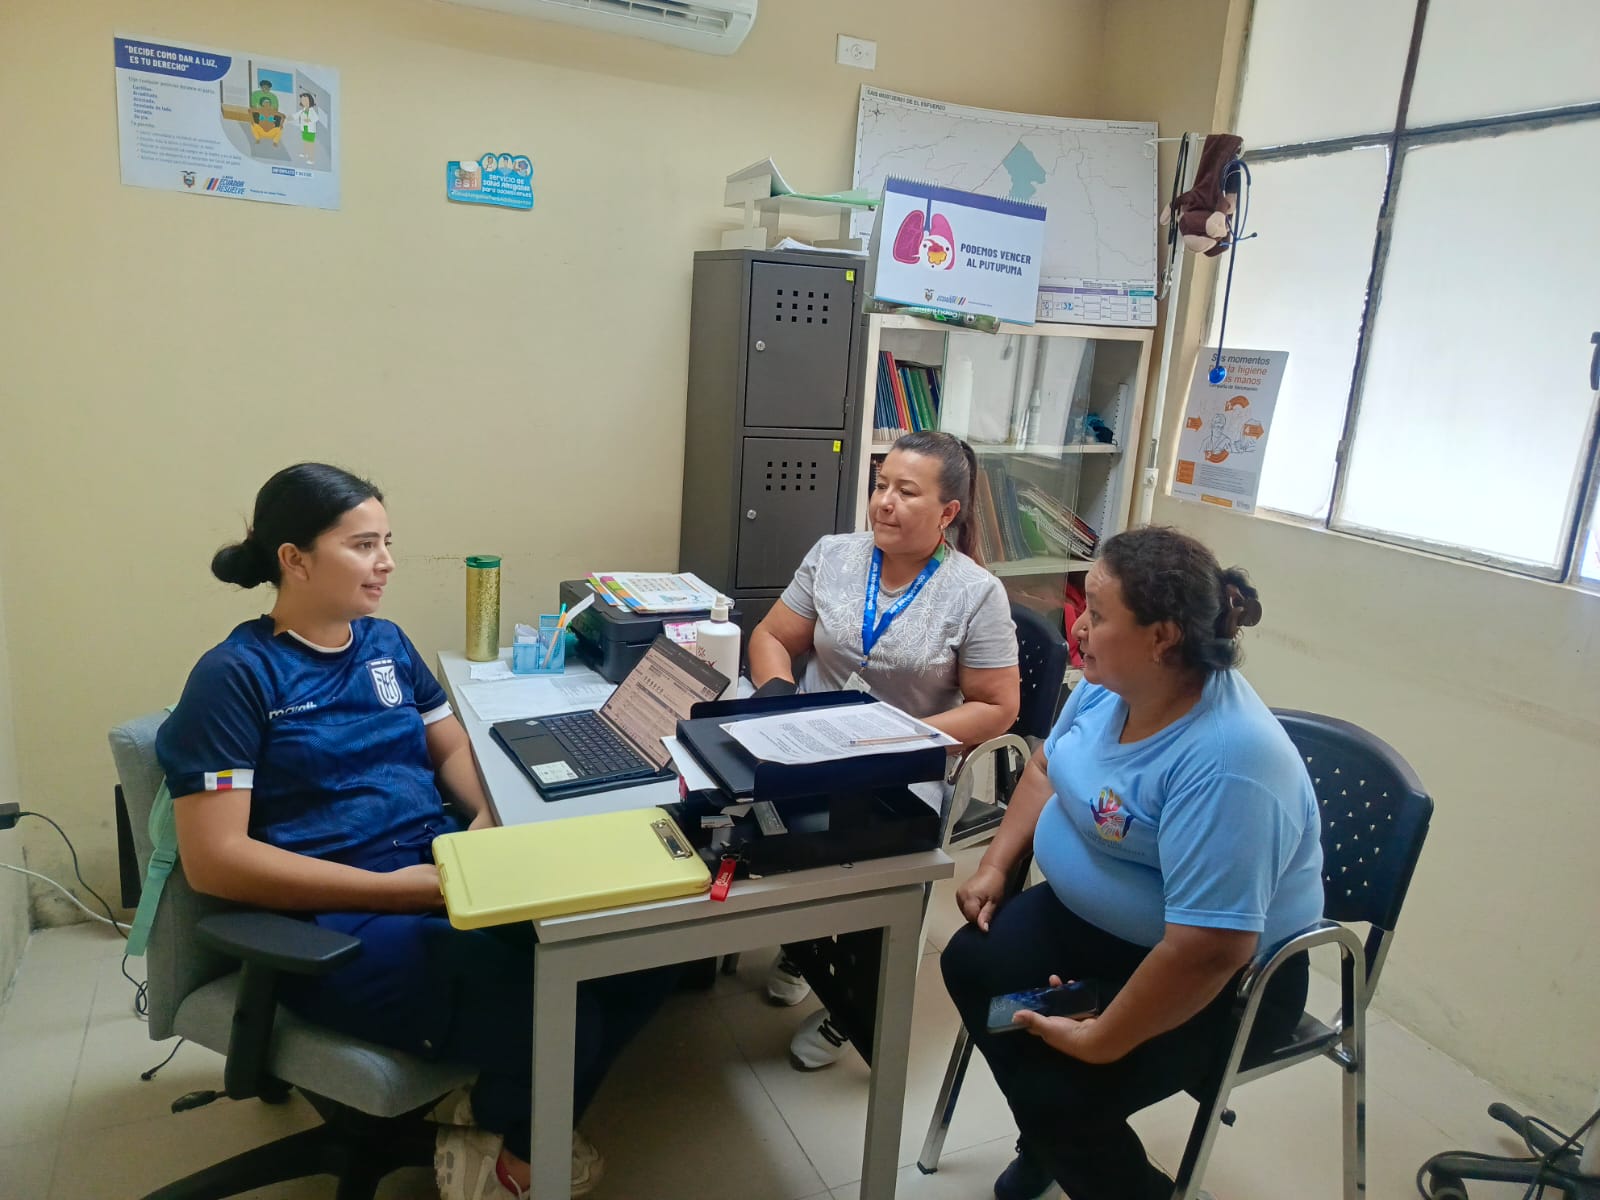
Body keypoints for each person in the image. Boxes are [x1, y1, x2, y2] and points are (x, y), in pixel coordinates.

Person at [156, 463, 674, 1200]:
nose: (387, 562)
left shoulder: (385, 644)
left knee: (645, 949)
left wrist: (485, 818)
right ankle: (510, 1156)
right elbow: (216, 861)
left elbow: (453, 749)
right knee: (565, 1014)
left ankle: (490, 1110)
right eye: (363, 545)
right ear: (295, 560)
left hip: (444, 875)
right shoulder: (236, 676)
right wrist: (397, 892)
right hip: (339, 923)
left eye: (388, 542)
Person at [939, 526, 1325, 1200]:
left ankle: (1093, 1162)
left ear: (1161, 638)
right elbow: (1045, 768)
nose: (1078, 626)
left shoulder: (1230, 761)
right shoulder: (1108, 685)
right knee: (972, 965)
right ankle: (1057, 1144)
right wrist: (996, 864)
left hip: (1222, 981)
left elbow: (1211, 950)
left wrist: (1103, 1040)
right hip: (1098, 934)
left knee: (1062, 1086)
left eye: (1097, 612)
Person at [746, 430, 1021, 1068]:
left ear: (948, 512)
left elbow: (997, 706)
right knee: (756, 820)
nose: (884, 503)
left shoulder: (975, 593)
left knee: (860, 846)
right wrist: (779, 699)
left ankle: (854, 999)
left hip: (905, 761)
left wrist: (899, 741)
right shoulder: (835, 555)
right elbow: (772, 637)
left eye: (906, 491)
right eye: (880, 485)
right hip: (810, 740)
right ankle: (804, 941)